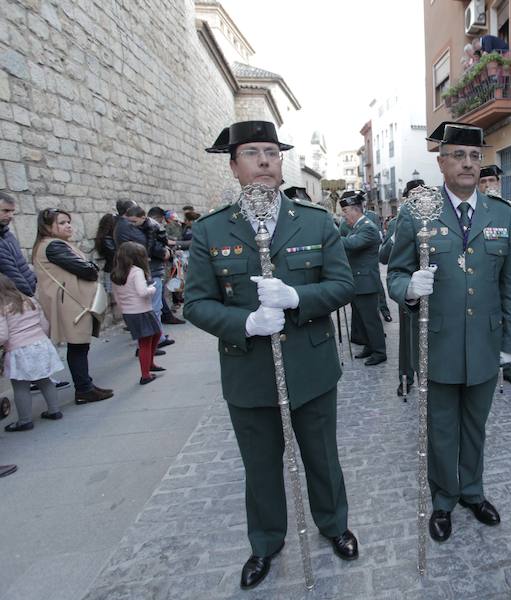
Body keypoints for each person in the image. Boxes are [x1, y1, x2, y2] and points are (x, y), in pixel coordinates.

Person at [185, 120, 359, 589]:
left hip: (312, 367)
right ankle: (265, 542)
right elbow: (196, 303)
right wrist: (245, 323)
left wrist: (298, 298)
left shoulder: (316, 220)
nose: (265, 160)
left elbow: (344, 284)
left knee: (322, 456)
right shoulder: (211, 229)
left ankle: (333, 524)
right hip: (249, 372)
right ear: (234, 166)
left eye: (272, 152)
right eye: (252, 153)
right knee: (260, 465)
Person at [388, 121, 511, 542]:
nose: (468, 164)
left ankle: (473, 491)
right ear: (441, 162)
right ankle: (443, 498)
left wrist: (510, 344)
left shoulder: (503, 214)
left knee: (475, 426)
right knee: (441, 429)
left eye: (475, 157)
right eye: (458, 156)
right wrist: (408, 287)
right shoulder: (416, 212)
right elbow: (394, 272)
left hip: (484, 341)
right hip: (437, 342)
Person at [32, 208, 114, 404]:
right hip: (70, 302)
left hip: (70, 300)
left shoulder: (52, 244)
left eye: (68, 221)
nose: (68, 225)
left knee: (79, 345)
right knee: (78, 345)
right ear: (47, 226)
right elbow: (86, 270)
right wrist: (92, 268)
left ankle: (85, 385)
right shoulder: (53, 246)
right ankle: (84, 390)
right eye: (61, 223)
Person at [1, 191, 70, 392]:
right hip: (10, 297)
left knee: (32, 341)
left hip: (22, 293)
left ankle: (41, 379)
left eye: (12, 211)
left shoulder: (7, 235)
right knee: (19, 345)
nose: (10, 215)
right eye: (5, 211)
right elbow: (8, 270)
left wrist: (30, 283)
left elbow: (18, 264)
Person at [478, 163, 511, 387]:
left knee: (505, 319)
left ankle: (506, 366)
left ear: (499, 182)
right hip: (481, 276)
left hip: (503, 273)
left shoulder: (510, 209)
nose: (488, 185)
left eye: (491, 181)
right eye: (483, 182)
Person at [0, 273, 65, 431]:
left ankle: (25, 420)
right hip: (40, 345)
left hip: (19, 350)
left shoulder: (2, 308)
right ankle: (54, 411)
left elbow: (3, 335)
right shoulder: (30, 301)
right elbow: (44, 325)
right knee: (45, 380)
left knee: (21, 386)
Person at [382, 179, 423, 396]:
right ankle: (405, 377)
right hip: (407, 287)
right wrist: (397, 236)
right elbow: (384, 256)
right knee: (406, 338)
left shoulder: (434, 218)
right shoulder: (398, 221)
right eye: (413, 196)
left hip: (431, 289)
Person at [116, 205, 179, 344]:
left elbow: (152, 244)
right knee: (155, 307)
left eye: (133, 221)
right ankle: (155, 340)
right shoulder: (137, 229)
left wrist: (162, 251)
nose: (132, 224)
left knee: (156, 307)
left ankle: (157, 338)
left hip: (152, 269)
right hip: (151, 270)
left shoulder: (148, 227)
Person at [339, 190, 387, 366]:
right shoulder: (357, 227)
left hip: (366, 282)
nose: (344, 216)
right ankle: (369, 346)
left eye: (346, 212)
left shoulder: (367, 227)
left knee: (371, 320)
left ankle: (380, 351)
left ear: (354, 210)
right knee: (361, 319)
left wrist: (331, 237)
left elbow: (352, 244)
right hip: (358, 282)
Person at [111, 242, 164, 385]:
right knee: (145, 343)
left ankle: (150, 364)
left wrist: (124, 309)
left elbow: (116, 296)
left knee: (156, 334)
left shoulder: (116, 273)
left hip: (130, 312)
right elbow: (142, 292)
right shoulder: (136, 272)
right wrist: (152, 289)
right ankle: (145, 374)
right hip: (142, 311)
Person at [94, 213, 118, 294]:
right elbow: (114, 255)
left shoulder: (106, 238)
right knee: (112, 295)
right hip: (112, 270)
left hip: (112, 270)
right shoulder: (107, 239)